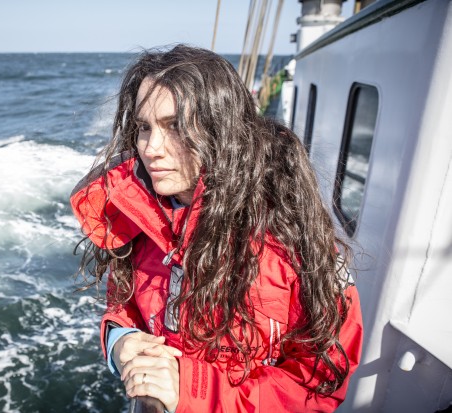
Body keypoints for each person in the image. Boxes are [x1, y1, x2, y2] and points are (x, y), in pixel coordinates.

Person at [70, 44, 362, 412]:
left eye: (174, 126)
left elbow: (319, 381)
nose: (152, 148)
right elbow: (125, 303)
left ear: (220, 130)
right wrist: (120, 340)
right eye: (144, 128)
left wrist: (192, 393)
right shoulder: (139, 216)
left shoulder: (293, 237)